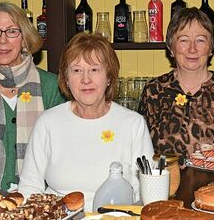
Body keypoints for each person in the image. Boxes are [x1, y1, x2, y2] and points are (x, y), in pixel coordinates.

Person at [18, 33, 154, 211]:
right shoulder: (48, 122)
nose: (85, 79)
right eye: (76, 70)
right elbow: (29, 188)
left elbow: (145, 194)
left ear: (109, 77)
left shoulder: (132, 124)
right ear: (66, 79)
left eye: (94, 70)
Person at [0, 2, 65, 194]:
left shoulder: (52, 87)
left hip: (41, 201)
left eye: (12, 31)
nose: (3, 40)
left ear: (24, 39)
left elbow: (61, 155)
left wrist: (37, 202)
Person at [138, 7, 214, 161]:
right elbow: (143, 148)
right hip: (165, 184)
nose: (192, 49)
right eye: (183, 40)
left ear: (211, 48)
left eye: (200, 40)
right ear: (171, 48)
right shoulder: (154, 91)